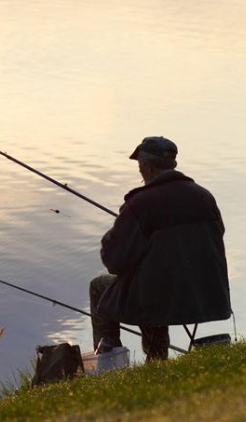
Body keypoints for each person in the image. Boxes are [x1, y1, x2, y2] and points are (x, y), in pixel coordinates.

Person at [90, 136, 231, 361]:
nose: (140, 171)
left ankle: (110, 360)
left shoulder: (140, 204)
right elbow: (216, 236)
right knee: (154, 281)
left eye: (139, 166)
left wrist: (115, 232)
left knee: (99, 286)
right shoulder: (204, 197)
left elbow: (113, 260)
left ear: (147, 166)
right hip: (205, 295)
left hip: (160, 299)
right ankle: (156, 358)